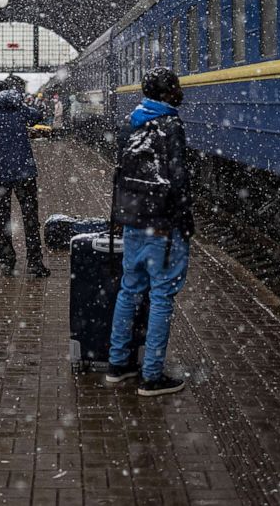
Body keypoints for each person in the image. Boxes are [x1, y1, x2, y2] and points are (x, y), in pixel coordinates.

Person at [105, 67, 194, 397]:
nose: (180, 92)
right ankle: (152, 376)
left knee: (129, 290)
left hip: (132, 222)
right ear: (169, 92)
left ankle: (118, 364)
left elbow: (118, 173)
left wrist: (116, 216)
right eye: (177, 87)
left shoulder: (131, 121)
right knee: (161, 296)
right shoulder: (171, 124)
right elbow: (179, 177)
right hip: (162, 224)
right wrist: (184, 220)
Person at [0, 75, 50, 278]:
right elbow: (38, 115)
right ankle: (35, 263)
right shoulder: (19, 108)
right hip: (25, 172)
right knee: (30, 218)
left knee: (2, 218)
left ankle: (7, 261)